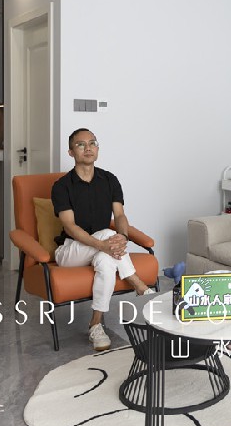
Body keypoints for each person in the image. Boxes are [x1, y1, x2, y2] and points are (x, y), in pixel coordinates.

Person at [52, 128, 155, 351]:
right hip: (71, 251)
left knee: (106, 262)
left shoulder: (109, 179)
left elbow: (120, 216)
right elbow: (70, 226)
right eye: (81, 144)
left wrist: (123, 237)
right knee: (108, 235)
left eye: (92, 143)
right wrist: (104, 244)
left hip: (102, 249)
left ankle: (95, 325)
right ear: (70, 152)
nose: (88, 148)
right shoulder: (61, 186)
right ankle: (138, 284)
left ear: (97, 148)